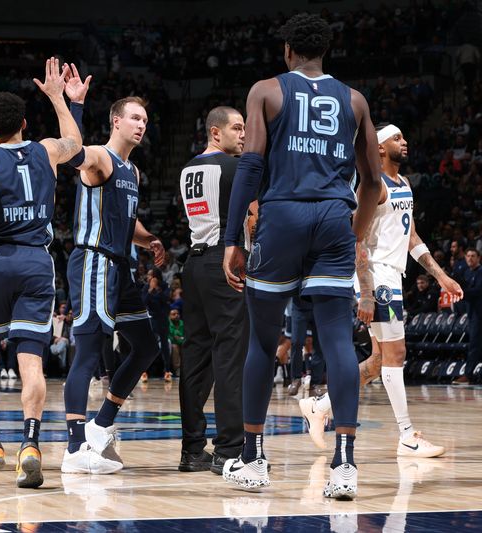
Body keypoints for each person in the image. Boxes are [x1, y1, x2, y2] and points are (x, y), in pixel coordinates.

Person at [220, 13, 384, 500]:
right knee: (337, 341)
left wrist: (233, 238)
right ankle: (346, 465)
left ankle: (252, 459)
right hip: (335, 217)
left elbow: (250, 165)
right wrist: (354, 235)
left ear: (289, 51)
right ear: (325, 52)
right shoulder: (354, 100)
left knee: (262, 343)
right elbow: (373, 182)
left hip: (284, 216)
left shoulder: (266, 91)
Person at [0, 57, 82, 489]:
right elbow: (75, 144)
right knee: (31, 361)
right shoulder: (46, 150)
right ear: (25, 122)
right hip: (36, 263)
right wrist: (60, 98)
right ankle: (31, 444)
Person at [300, 125, 464, 457]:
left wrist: (441, 277)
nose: (405, 142)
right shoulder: (372, 189)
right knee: (396, 356)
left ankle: (320, 405)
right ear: (378, 148)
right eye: (397, 138)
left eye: (405, 137)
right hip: (379, 281)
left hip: (393, 276)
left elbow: (412, 238)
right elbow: (356, 241)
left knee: (377, 362)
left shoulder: (403, 184)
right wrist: (366, 292)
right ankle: (406, 435)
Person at [61, 88, 165, 474]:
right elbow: (72, 152)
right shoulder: (100, 158)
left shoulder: (132, 171)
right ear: (116, 121)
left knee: (146, 347)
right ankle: (74, 448)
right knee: (89, 350)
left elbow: (127, 219)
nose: (141, 125)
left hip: (121, 267)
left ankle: (101, 424)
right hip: (94, 261)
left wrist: (149, 238)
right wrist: (72, 103)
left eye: (145, 121)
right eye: (135, 118)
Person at [176, 106, 250, 474]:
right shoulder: (235, 167)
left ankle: (192, 450)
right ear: (215, 133)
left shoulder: (188, 168)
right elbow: (254, 215)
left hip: (193, 263)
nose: (243, 135)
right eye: (237, 128)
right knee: (230, 356)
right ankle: (229, 449)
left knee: (195, 358)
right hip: (225, 260)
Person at [453, 248, 481, 384]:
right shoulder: (466, 272)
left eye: (473, 256)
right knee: (474, 345)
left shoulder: (481, 272)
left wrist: (462, 292)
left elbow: (477, 291)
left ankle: (468, 375)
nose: (470, 258)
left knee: (474, 345)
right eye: (468, 256)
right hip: (472, 313)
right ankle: (470, 374)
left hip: (479, 314)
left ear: (479, 258)